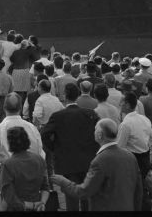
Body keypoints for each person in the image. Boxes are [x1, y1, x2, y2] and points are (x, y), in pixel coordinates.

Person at [51, 118, 142, 211]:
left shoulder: (99, 160)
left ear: (100, 135)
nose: (93, 132)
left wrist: (63, 182)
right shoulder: (130, 156)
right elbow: (138, 190)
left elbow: (84, 191)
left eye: (95, 129)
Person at [42, 82, 99, 211]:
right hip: (87, 159)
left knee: (70, 196)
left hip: (66, 160)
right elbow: (98, 134)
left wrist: (55, 148)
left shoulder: (58, 116)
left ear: (65, 96)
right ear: (78, 95)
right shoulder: (89, 114)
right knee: (85, 194)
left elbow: (45, 135)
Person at [0, 93, 45, 190]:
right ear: (20, 108)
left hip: (9, 173)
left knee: (9, 202)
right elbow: (40, 152)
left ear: (4, 108)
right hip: (31, 172)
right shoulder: (32, 127)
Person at [0, 127, 50, 211]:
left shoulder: (8, 164)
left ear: (9, 143)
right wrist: (42, 203)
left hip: (17, 208)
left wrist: (31, 205)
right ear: (27, 140)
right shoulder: (39, 159)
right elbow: (45, 187)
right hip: (37, 206)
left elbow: (8, 196)